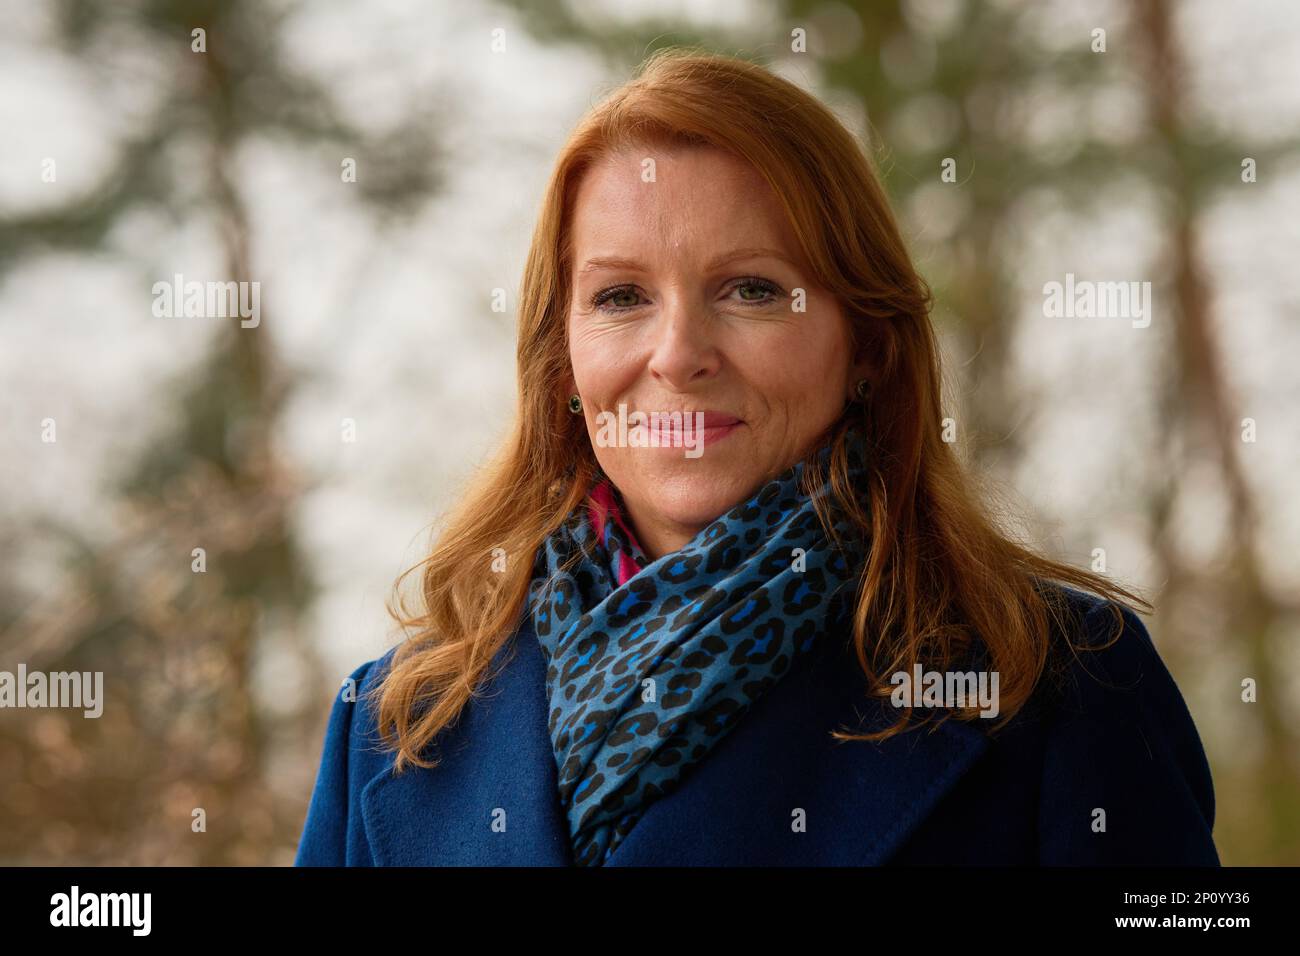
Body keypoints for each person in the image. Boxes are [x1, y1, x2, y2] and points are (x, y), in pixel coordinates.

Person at [294, 49, 1218, 867]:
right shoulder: (397, 725)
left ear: (867, 347)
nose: (679, 353)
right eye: (621, 297)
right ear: (561, 360)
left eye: (752, 290)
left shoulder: (1055, 686)